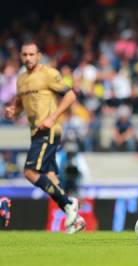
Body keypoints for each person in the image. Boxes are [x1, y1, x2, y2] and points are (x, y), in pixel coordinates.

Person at [4, 41, 85, 234]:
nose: (28, 58)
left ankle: (68, 204)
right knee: (50, 177)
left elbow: (70, 96)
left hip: (48, 130)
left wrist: (51, 118)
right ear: (21, 57)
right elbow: (20, 104)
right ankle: (76, 219)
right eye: (24, 55)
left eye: (32, 54)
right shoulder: (21, 79)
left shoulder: (49, 74)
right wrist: (13, 111)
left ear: (39, 55)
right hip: (35, 131)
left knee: (30, 172)